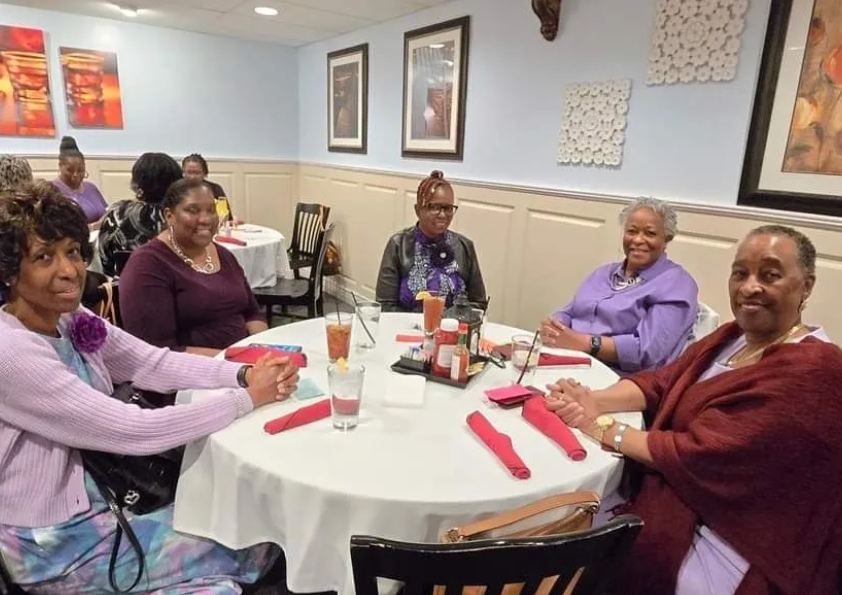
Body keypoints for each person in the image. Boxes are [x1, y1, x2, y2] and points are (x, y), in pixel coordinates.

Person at [0, 181, 300, 594]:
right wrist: (247, 398)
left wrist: (241, 375)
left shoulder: (68, 318)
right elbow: (131, 429)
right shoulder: (11, 351)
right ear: (10, 272)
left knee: (246, 527)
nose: (68, 270)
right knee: (258, 540)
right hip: (57, 542)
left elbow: (149, 361)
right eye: (43, 257)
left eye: (72, 251)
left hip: (113, 498)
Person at [546, 225, 842, 595]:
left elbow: (703, 452)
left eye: (770, 275)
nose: (750, 286)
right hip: (682, 484)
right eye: (740, 273)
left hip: (739, 531)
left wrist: (601, 427)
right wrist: (594, 398)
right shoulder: (732, 338)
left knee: (576, 536)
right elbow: (662, 381)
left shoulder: (815, 369)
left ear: (807, 285)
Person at [540, 198, 698, 372]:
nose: (638, 240)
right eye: (632, 231)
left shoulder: (677, 284)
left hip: (620, 378)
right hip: (568, 359)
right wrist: (556, 327)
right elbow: (570, 311)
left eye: (650, 233)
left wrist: (584, 342)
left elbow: (645, 351)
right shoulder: (603, 273)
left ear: (666, 239)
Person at [119, 178, 266, 356]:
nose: (205, 219)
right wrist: (233, 360)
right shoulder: (148, 265)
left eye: (211, 210)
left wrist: (261, 349)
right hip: (189, 375)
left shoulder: (224, 255)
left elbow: (252, 312)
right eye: (193, 210)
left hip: (242, 364)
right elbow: (156, 350)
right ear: (169, 216)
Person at [375, 170, 487, 312]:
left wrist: (450, 322)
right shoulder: (398, 244)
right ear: (417, 210)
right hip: (408, 329)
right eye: (434, 207)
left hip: (453, 329)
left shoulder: (464, 246)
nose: (442, 215)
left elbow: (478, 303)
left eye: (448, 208)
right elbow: (385, 305)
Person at [97, 152, 184, 277]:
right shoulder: (181, 216)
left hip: (125, 288)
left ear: (138, 183)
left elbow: (105, 261)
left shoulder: (118, 212)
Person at [51, 136, 108, 229]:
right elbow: (59, 228)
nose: (75, 175)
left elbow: (106, 211)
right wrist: (93, 227)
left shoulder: (91, 187)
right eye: (70, 170)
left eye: (80, 170)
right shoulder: (53, 190)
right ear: (60, 166)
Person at [182, 153, 235, 223]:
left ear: (204, 173)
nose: (192, 177)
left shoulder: (215, 189)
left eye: (197, 173)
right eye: (189, 172)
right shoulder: (176, 190)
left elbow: (226, 217)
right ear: (183, 173)